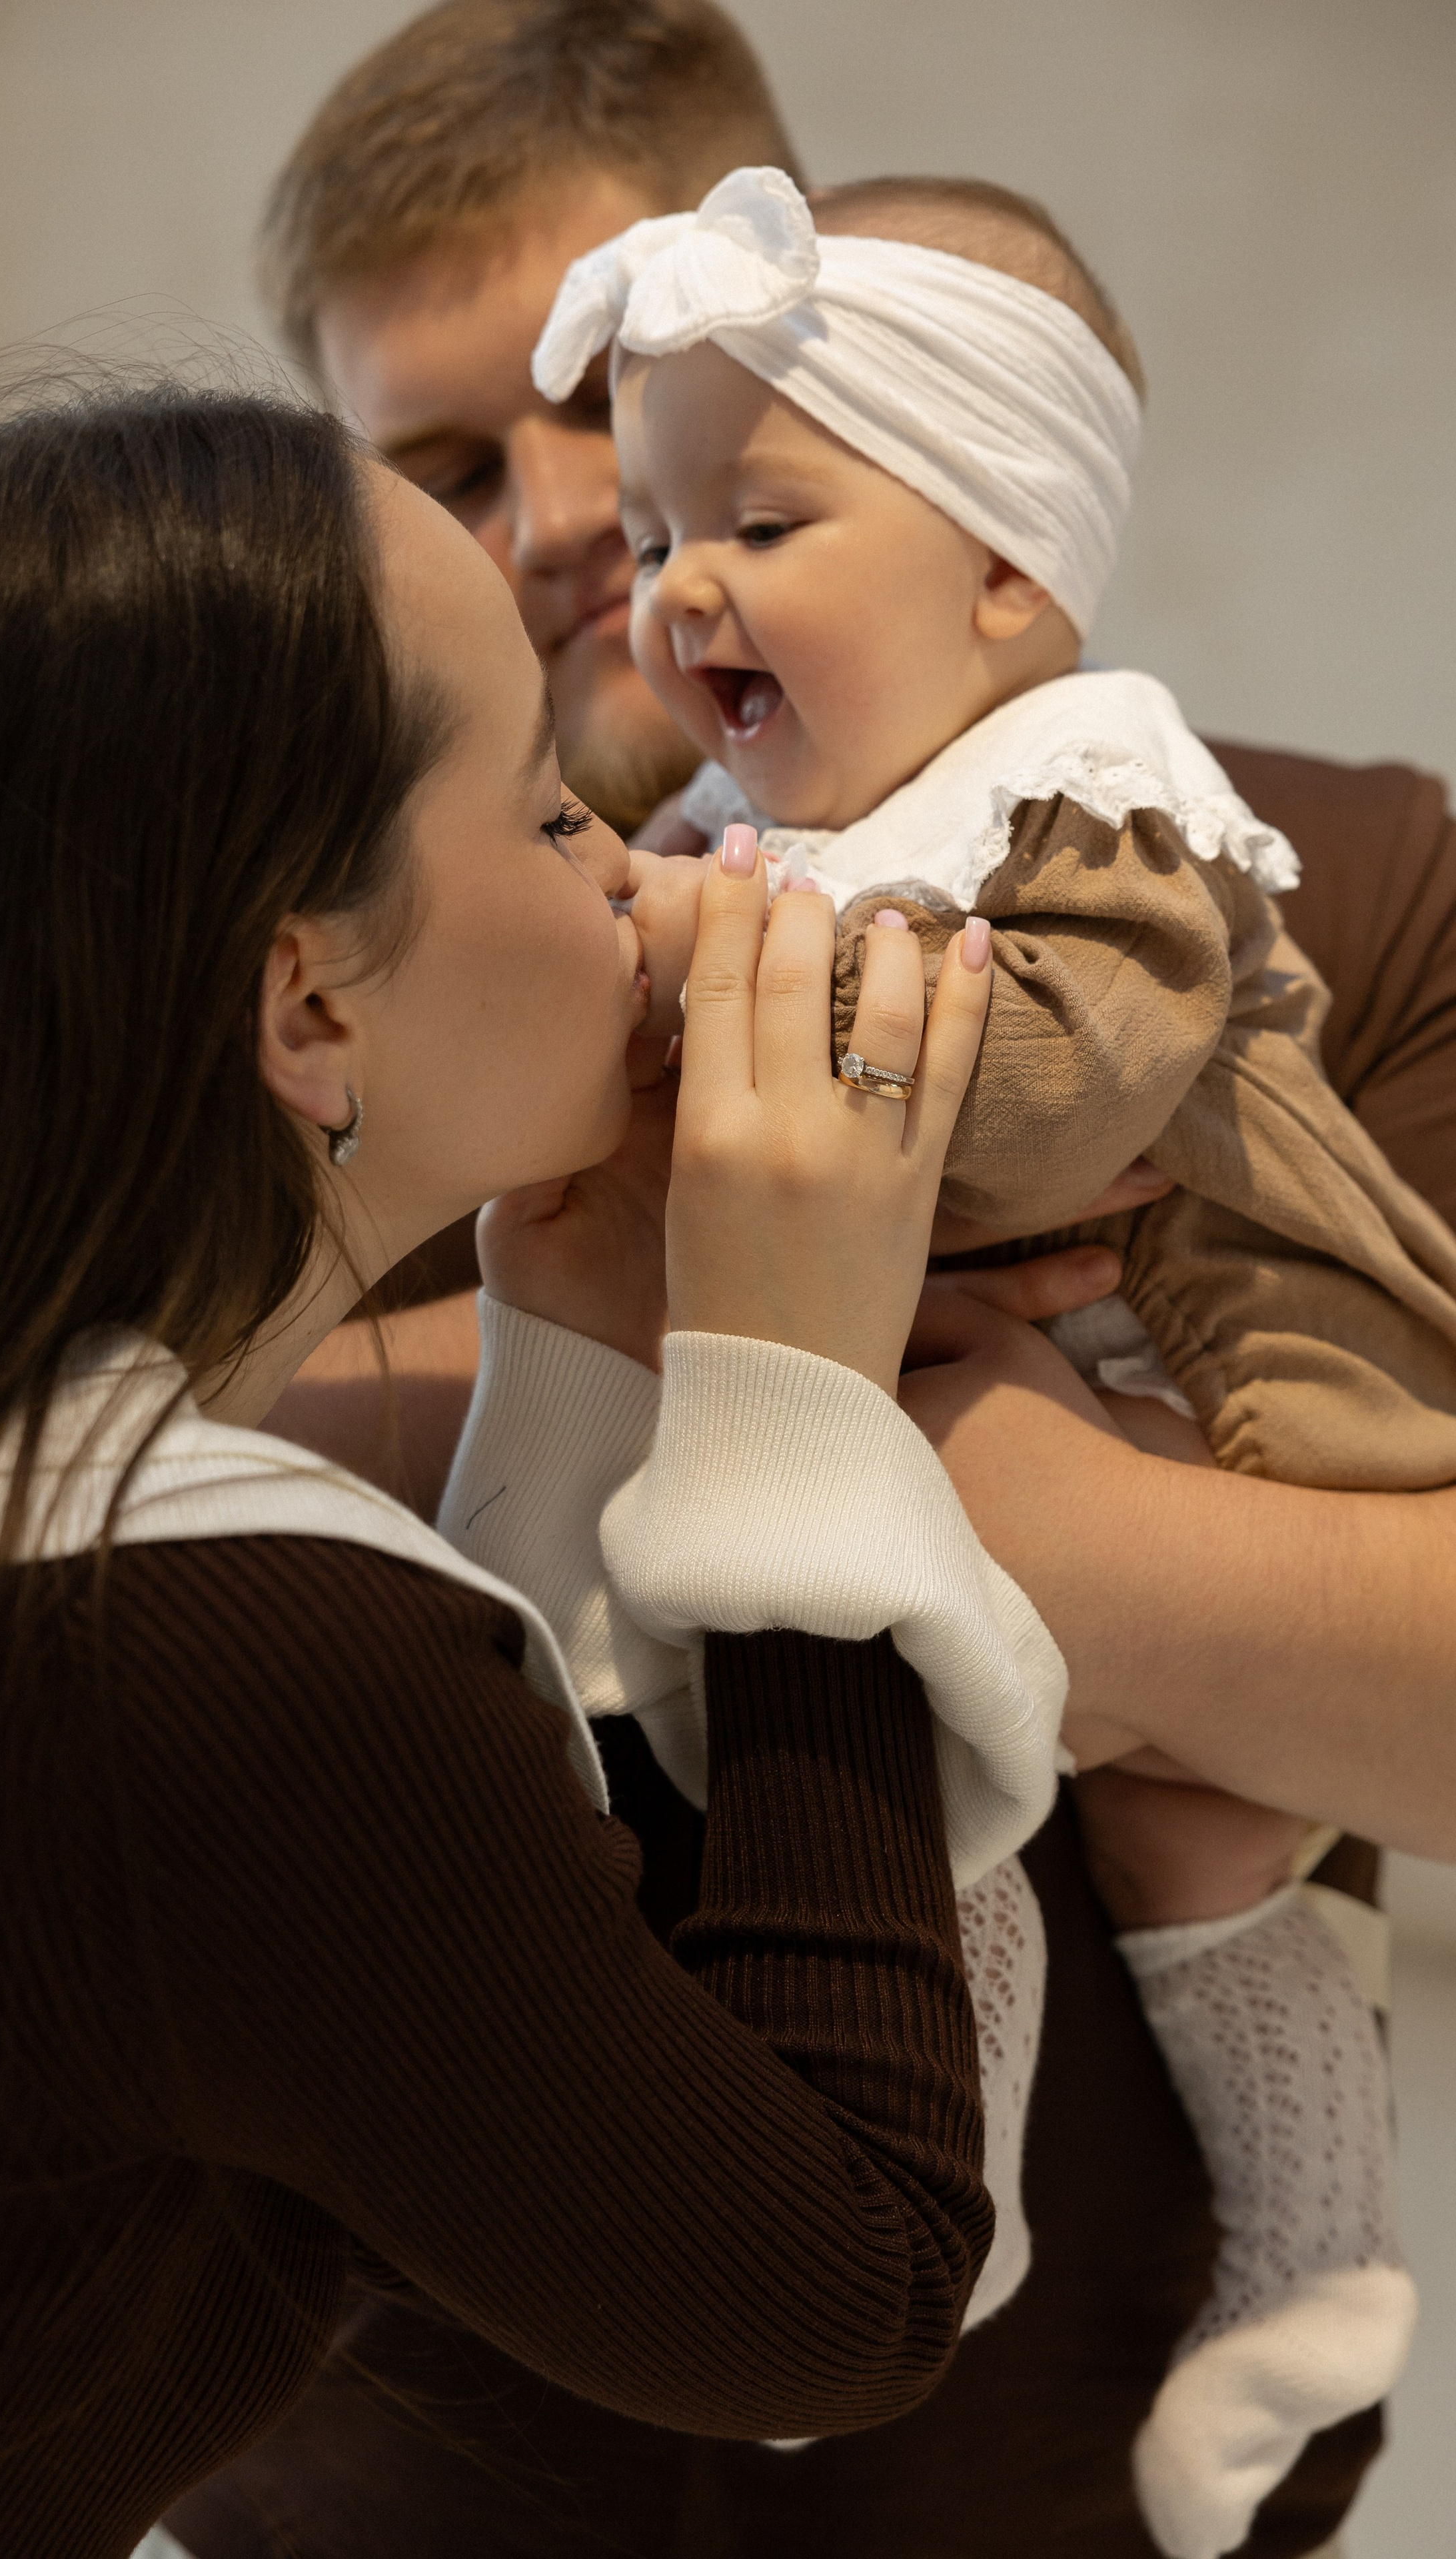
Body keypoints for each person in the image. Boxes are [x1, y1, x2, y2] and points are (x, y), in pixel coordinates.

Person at [171, 6, 1456, 2554]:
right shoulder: (266, 962)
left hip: (1068, 2465)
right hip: (390, 2444)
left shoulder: (1309, 885)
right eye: (449, 464)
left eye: (619, 419)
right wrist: (742, 1370)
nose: (581, 528)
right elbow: (76, 1469)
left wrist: (945, 1473)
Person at [0, 381, 1056, 2554]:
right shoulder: (196, 1656)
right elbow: (842, 2289)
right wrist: (795, 1394)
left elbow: (488, 1964)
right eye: (548, 813)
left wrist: (584, 1359)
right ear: (307, 1007)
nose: (634, 872)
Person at [537, 158, 1445, 2556]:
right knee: (979, 1803)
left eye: (759, 522)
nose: (675, 587)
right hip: (976, 1460)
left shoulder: (1099, 809)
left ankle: (1304, 2250)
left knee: (1168, 1825)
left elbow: (1057, 1095)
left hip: (1240, 1410)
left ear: (1010, 572)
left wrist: (721, 990)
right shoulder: (745, 826)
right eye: (660, 534)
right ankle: (972, 2208)